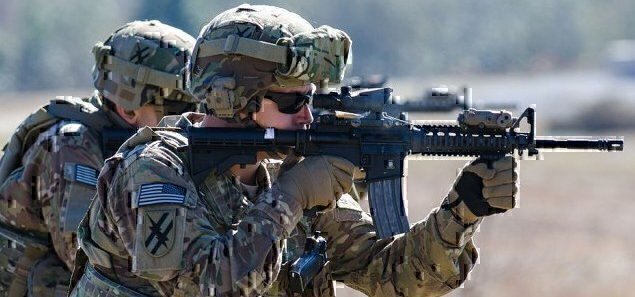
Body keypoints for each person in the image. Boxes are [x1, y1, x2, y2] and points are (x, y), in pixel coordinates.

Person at [70, 4, 519, 297]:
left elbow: (393, 276)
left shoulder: (289, 167)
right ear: (234, 98)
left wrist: (463, 211)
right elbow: (211, 286)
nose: (307, 117)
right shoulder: (153, 172)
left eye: (311, 99)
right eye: (291, 101)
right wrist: (289, 199)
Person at [0, 20, 196, 296]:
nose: (190, 121)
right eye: (181, 108)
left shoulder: (136, 148)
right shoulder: (71, 147)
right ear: (129, 109)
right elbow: (87, 255)